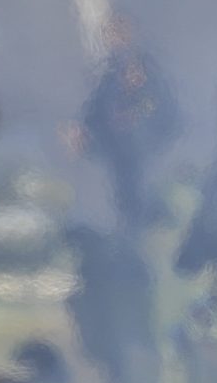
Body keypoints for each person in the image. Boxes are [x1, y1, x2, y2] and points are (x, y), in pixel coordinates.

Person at [77, 18, 181, 229]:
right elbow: (98, 108)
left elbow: (159, 103)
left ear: (129, 34)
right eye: (109, 35)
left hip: (146, 149)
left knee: (142, 199)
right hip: (122, 152)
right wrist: (83, 130)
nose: (112, 40)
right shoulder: (110, 72)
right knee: (126, 200)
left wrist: (137, 113)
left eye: (117, 34)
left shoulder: (145, 64)